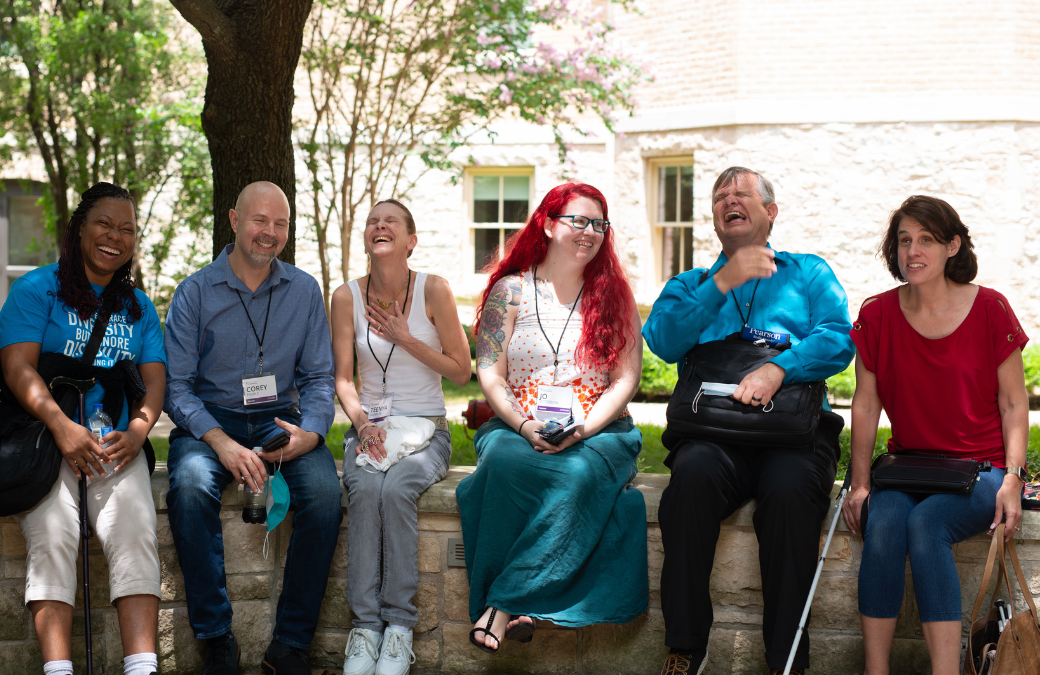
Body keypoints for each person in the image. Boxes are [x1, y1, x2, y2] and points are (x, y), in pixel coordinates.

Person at [642, 167, 853, 675]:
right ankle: (686, 647)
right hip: (713, 437)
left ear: (770, 213)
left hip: (793, 437)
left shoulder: (808, 273)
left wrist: (780, 367)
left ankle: (786, 661)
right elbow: (664, 340)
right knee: (688, 485)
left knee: (789, 498)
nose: (729, 200)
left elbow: (840, 338)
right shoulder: (689, 285)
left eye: (741, 194)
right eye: (720, 196)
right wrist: (722, 283)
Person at [457, 182, 648, 653]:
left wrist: (582, 428)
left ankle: (501, 604)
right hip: (516, 422)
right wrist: (523, 426)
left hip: (599, 428)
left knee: (578, 472)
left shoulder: (614, 295)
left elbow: (625, 380)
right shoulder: (510, 291)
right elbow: (490, 372)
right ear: (546, 223)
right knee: (504, 464)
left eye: (598, 224)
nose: (588, 232)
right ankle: (527, 600)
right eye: (576, 221)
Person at [841, 196, 1027, 675]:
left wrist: (1013, 479)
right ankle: (875, 671)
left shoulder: (990, 308)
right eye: (904, 240)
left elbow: (1013, 403)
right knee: (884, 525)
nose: (913, 250)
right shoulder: (877, 314)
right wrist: (860, 484)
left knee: (926, 526)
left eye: (926, 239)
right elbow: (865, 404)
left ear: (952, 246)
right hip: (909, 466)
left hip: (981, 469)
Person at [163, 181, 341, 675]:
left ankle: (289, 646)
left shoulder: (303, 290)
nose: (270, 233)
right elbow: (176, 387)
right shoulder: (195, 292)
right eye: (259, 220)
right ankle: (217, 638)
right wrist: (218, 443)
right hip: (210, 421)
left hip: (279, 420)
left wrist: (314, 431)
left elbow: (319, 377)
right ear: (235, 221)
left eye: (280, 223)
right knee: (191, 486)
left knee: (326, 495)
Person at [0, 183, 167, 675]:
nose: (115, 236)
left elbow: (154, 380)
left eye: (127, 229)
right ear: (79, 228)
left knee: (136, 529)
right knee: (54, 534)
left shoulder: (138, 307)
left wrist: (138, 430)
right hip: (48, 444)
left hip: (114, 446)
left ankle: (142, 667)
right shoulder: (36, 289)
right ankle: (58, 670)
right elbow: (18, 370)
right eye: (104, 224)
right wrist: (60, 426)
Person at [331, 199, 470, 675]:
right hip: (372, 429)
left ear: (410, 240)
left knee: (398, 487)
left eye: (391, 221)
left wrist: (404, 336)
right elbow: (344, 380)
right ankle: (366, 629)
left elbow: (461, 370)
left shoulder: (435, 290)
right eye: (372, 221)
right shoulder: (346, 296)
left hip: (427, 430)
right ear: (366, 238)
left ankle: (399, 629)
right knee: (367, 487)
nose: (379, 225)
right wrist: (362, 424)